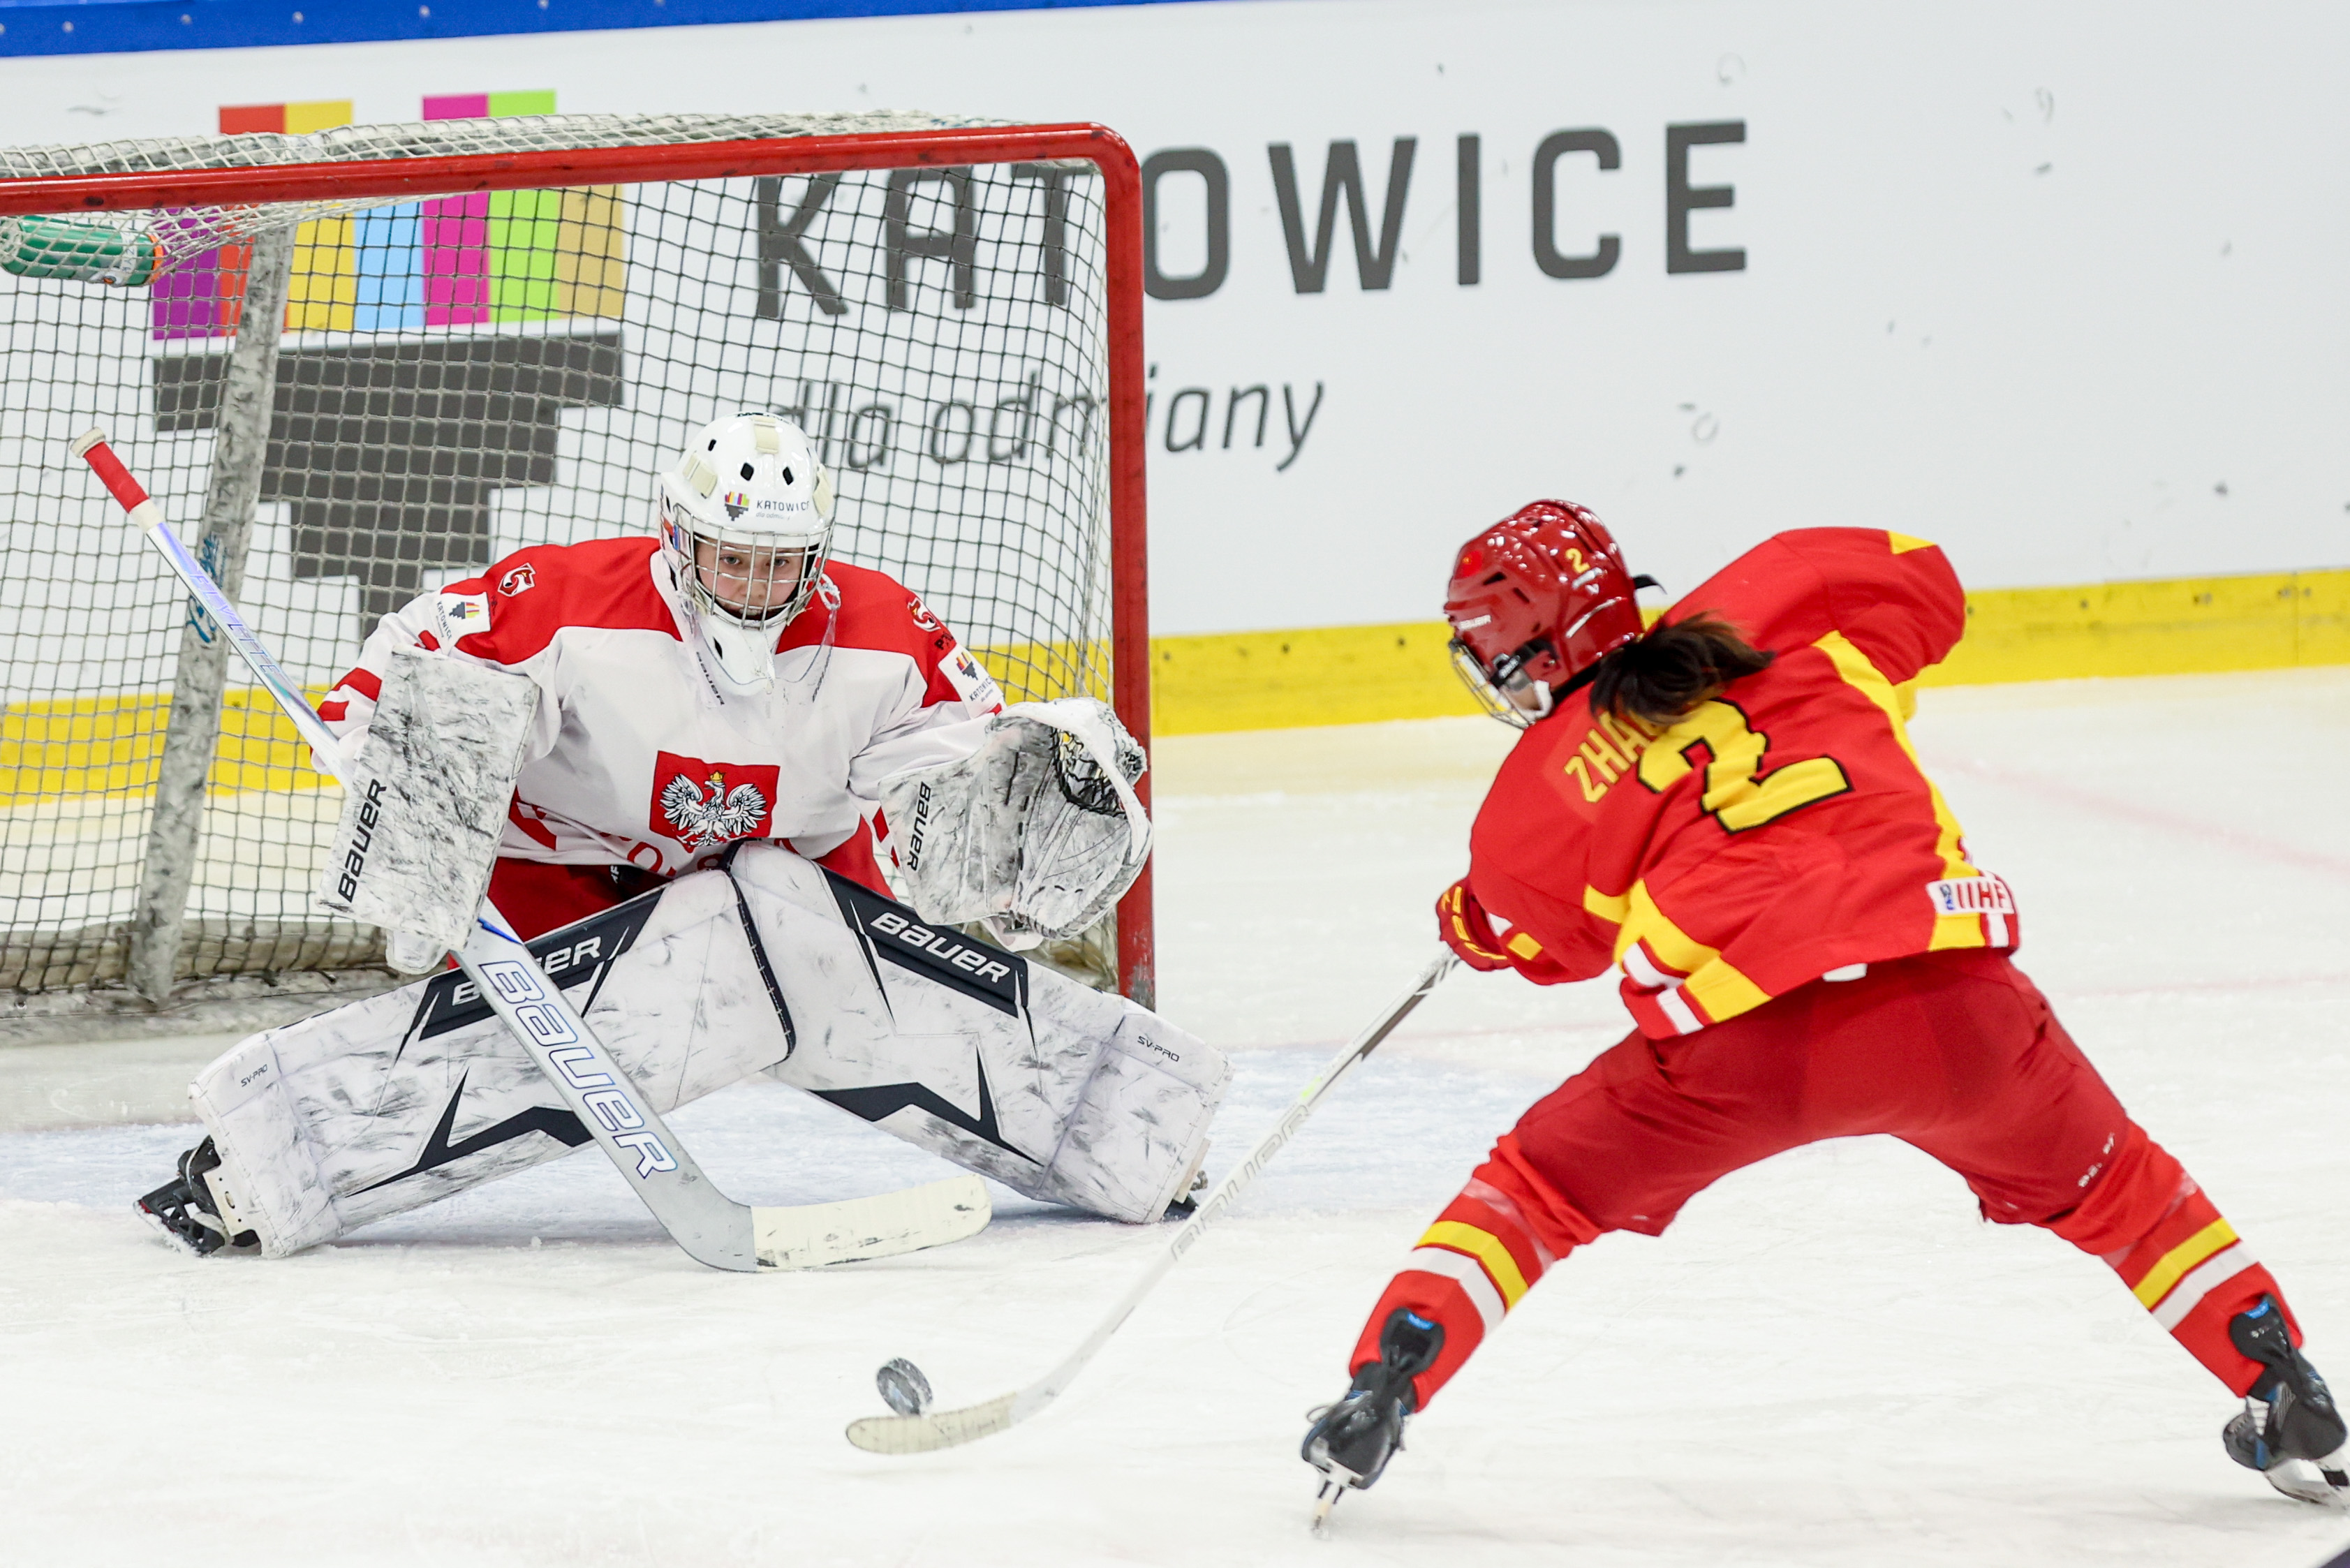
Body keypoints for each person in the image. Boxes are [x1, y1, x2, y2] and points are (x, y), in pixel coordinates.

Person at [1301, 503, 2347, 1522]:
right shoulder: (1787, 596)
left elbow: (1542, 945)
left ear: (1528, 650)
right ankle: (2281, 1380)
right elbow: (1925, 587)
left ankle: (1382, 1386)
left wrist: (1471, 919)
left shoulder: (1543, 784)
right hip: (1953, 1009)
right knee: (2120, 1187)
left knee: (1534, 1190)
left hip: (1744, 1050)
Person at [133, 413, 1210, 1262]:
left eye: (778, 563)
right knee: (581, 997)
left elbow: (956, 774)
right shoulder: (570, 601)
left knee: (792, 920)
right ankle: (261, 1166)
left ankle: (1128, 1132)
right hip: (561, 873)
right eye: (728, 557)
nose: (752, 586)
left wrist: (1022, 793)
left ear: (816, 555)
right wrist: (385, 743)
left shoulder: (883, 635)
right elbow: (423, 651)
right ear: (678, 536)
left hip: (783, 870)